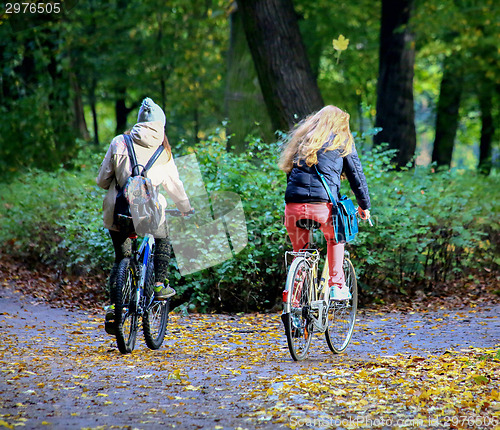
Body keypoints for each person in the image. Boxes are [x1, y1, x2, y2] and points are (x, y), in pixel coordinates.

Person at [96, 97, 192, 315]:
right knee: (162, 238)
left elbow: (102, 180)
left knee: (122, 258)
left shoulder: (119, 142)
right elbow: (174, 185)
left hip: (119, 212)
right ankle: (158, 284)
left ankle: (115, 306)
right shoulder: (163, 150)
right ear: (161, 125)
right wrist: (185, 207)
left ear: (139, 122)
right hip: (151, 215)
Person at [279, 105, 371, 300]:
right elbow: (356, 177)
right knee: (336, 237)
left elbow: (290, 176)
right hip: (322, 208)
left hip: (293, 207)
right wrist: (364, 205)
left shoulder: (301, 141)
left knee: (300, 254)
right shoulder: (342, 141)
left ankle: (293, 300)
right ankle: (337, 285)